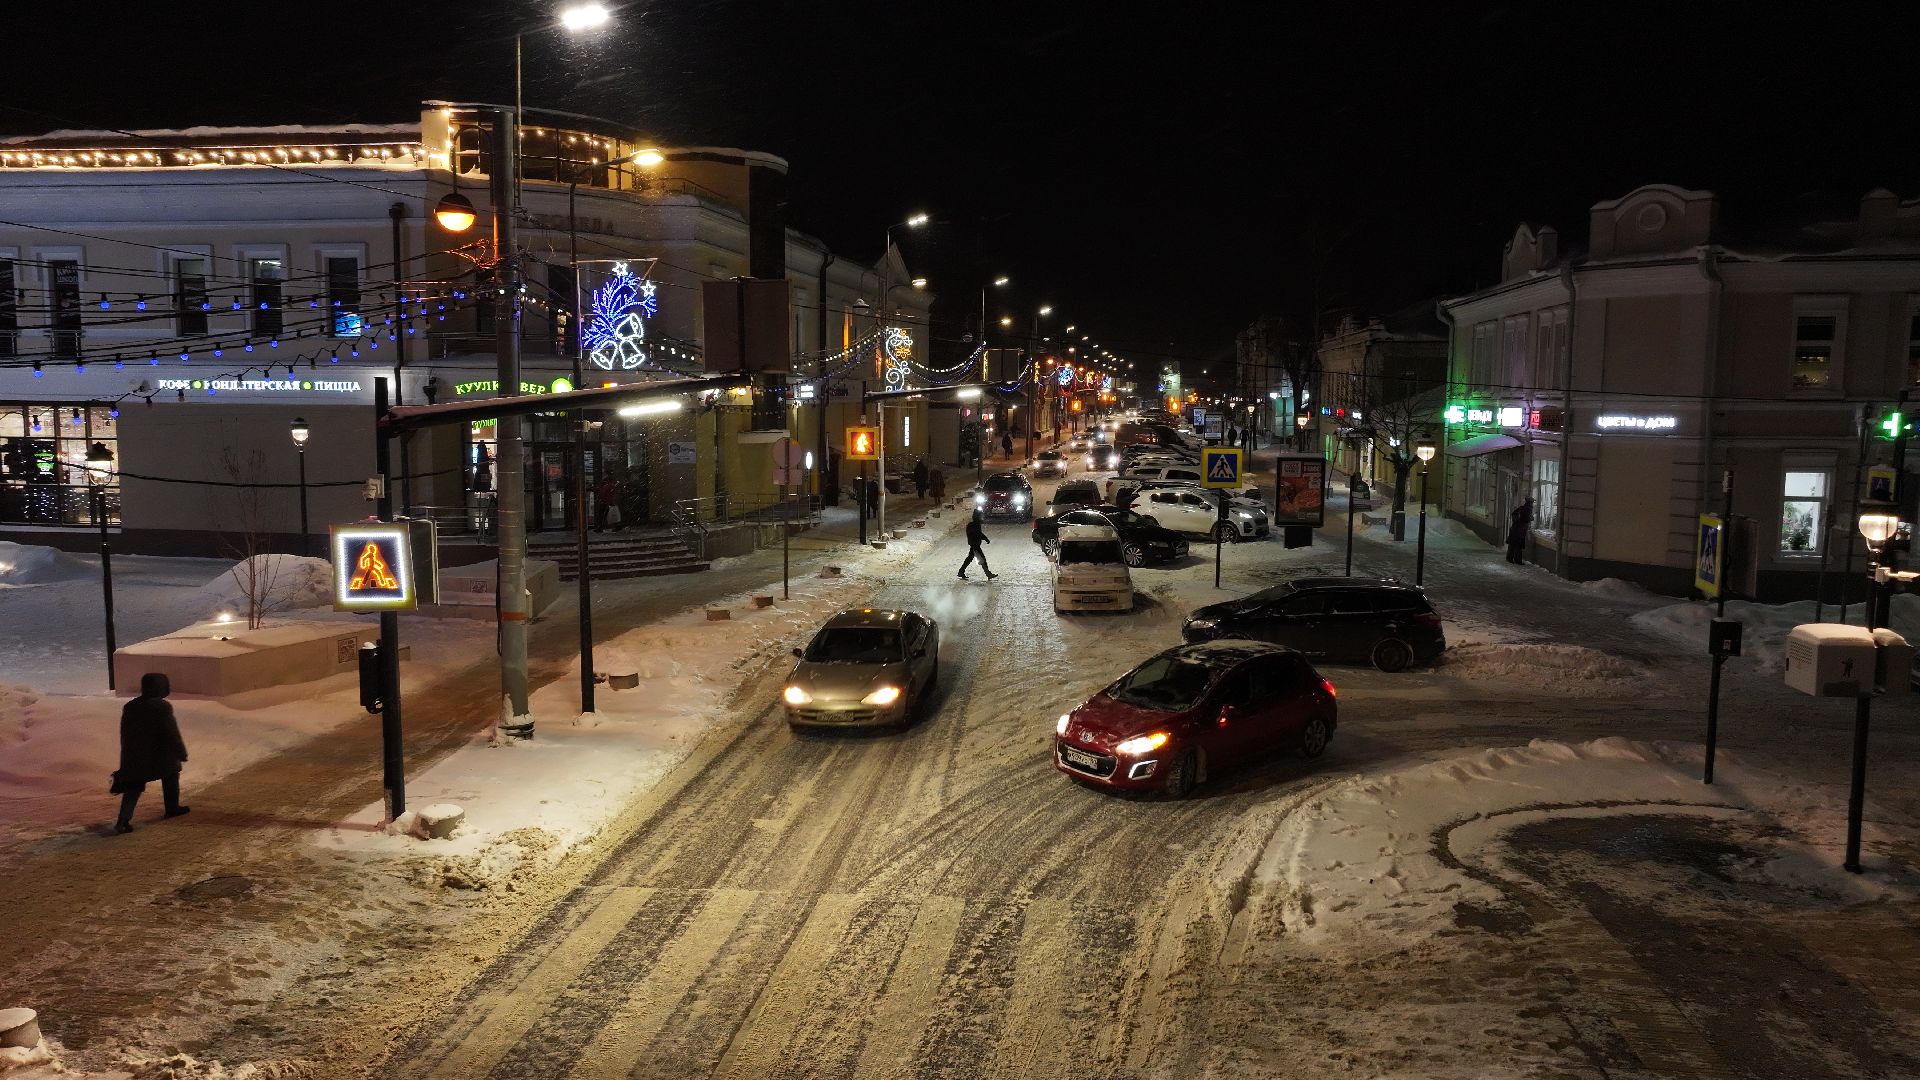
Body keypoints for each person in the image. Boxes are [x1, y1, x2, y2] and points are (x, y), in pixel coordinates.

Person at [113, 672, 189, 834]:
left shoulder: (130, 706)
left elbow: (125, 733)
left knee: (133, 787)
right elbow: (171, 732)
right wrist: (181, 752)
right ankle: (172, 807)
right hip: (159, 756)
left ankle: (123, 820)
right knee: (172, 774)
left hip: (135, 756)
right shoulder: (161, 707)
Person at [958, 510, 997, 580]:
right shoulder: (975, 524)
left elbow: (976, 534)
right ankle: (988, 574)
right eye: (980, 516)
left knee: (969, 559)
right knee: (982, 559)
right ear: (977, 517)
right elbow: (978, 533)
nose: (982, 518)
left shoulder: (973, 524)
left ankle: (961, 572)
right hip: (975, 545)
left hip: (974, 544)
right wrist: (985, 539)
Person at [1507, 497, 1533, 564]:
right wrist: (1531, 518)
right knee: (1519, 546)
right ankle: (1518, 560)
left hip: (1515, 528)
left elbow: (1513, 514)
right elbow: (1526, 519)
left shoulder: (1521, 508)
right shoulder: (1528, 509)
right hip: (1521, 530)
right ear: (1530, 502)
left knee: (1512, 544)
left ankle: (1509, 558)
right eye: (1532, 502)